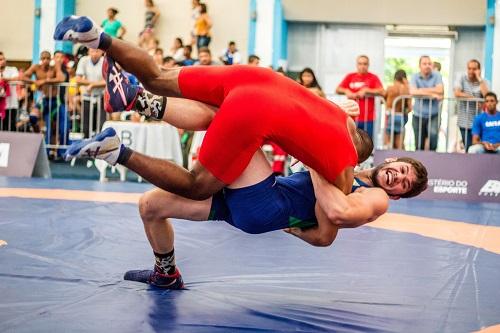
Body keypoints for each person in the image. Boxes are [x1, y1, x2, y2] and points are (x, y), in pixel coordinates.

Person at [54, 15, 374, 201]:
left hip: (257, 78)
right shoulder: (346, 165)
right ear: (357, 156)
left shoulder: (340, 115)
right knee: (197, 186)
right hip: (256, 110)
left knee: (158, 76)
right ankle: (114, 151)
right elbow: (337, 209)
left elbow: (335, 113)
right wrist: (359, 184)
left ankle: (95, 37)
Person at [336, 55, 385, 139]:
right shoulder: (350, 76)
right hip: (351, 117)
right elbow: (338, 89)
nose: (362, 66)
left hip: (368, 118)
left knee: (367, 143)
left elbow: (382, 91)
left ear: (368, 65)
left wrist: (367, 90)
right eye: (360, 63)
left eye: (365, 64)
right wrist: (346, 91)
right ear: (357, 65)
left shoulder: (373, 77)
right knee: (351, 141)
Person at [453, 59, 489, 152]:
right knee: (468, 147)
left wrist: (479, 79)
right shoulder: (461, 78)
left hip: (478, 121)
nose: (471, 71)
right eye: (469, 68)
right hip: (464, 121)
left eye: (474, 69)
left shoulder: (483, 82)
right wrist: (474, 98)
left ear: (479, 70)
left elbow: (487, 96)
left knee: (477, 147)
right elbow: (457, 93)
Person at [409, 55, 444, 151]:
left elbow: (440, 90)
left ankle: (433, 157)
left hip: (434, 114)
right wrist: (433, 94)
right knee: (419, 142)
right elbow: (412, 92)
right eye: (424, 64)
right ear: (419, 66)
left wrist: (420, 90)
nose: (427, 66)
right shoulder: (415, 76)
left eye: (429, 63)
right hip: (418, 114)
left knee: (433, 136)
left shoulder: (437, 75)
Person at [385, 69, 411, 150]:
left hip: (390, 116)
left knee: (388, 144)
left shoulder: (390, 88)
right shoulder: (406, 89)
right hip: (400, 116)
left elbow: (383, 100)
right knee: (400, 145)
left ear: (395, 78)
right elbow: (410, 108)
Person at [0, 51, 19, 131]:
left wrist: (4, 79)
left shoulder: (12, 69)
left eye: (3, 59)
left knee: (10, 128)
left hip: (11, 105)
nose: (2, 61)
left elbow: (17, 78)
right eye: (0, 59)